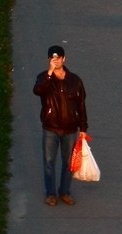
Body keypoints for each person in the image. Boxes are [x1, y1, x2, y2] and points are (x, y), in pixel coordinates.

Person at [33, 45, 88, 206]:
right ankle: (51, 193)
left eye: (58, 58)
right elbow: (38, 90)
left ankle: (64, 191)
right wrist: (49, 74)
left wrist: (83, 128)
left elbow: (81, 105)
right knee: (49, 162)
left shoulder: (75, 81)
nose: (55, 61)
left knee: (68, 163)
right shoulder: (44, 78)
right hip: (51, 128)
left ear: (64, 59)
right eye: (52, 58)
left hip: (70, 129)